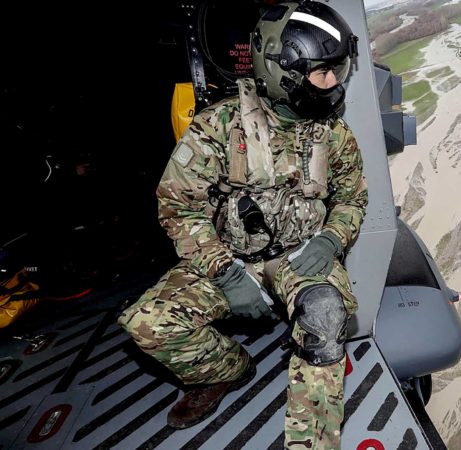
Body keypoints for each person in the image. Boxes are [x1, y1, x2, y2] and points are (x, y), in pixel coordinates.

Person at [117, 2, 367, 449]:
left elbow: (352, 196)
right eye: (321, 72)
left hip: (302, 256)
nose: (333, 82)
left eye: (337, 69)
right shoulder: (219, 126)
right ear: (281, 72)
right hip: (231, 259)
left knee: (326, 316)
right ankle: (227, 370)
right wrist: (225, 271)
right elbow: (177, 206)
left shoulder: (333, 133)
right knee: (148, 323)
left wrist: (332, 238)